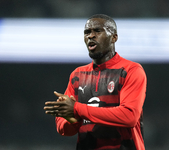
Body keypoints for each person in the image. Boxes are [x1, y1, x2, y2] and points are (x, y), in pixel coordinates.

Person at [44, 14, 147, 150]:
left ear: (114, 37)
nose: (90, 36)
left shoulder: (131, 70)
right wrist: (71, 119)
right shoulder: (77, 75)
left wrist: (76, 109)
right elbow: (64, 130)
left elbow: (129, 116)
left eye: (98, 31)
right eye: (87, 32)